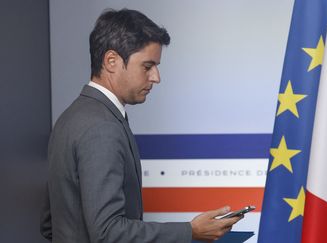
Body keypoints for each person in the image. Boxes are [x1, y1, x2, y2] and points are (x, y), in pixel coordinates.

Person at [40, 8, 242, 243]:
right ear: (111, 61)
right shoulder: (102, 128)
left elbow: (49, 224)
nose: (156, 77)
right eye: (147, 66)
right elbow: (108, 233)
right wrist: (191, 231)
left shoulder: (71, 117)